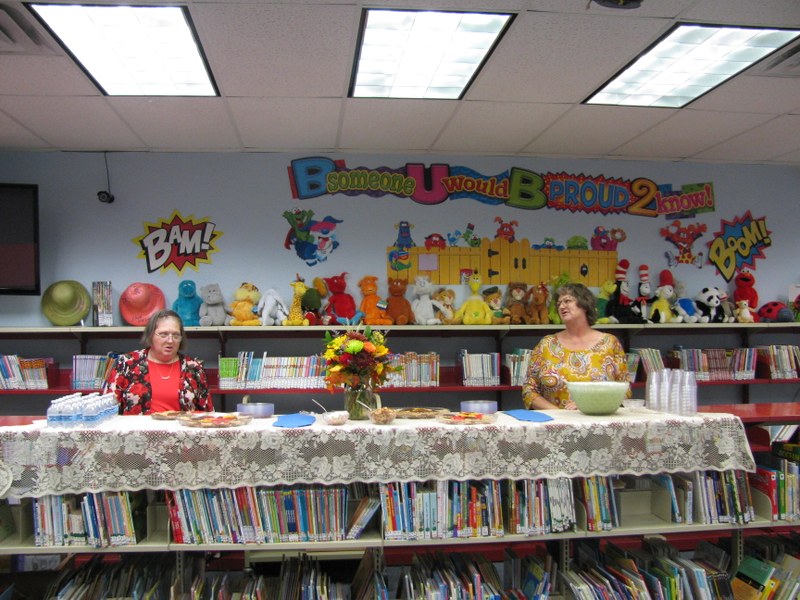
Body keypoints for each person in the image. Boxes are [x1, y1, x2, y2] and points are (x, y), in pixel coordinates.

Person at [522, 282, 628, 410]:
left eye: (567, 301)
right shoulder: (546, 345)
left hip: (599, 423)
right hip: (554, 424)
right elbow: (529, 390)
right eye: (559, 303)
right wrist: (560, 414)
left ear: (584, 304)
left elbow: (625, 390)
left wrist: (590, 405)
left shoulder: (610, 343)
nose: (561, 306)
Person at [103, 309, 213, 415]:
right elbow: (107, 410)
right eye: (163, 334)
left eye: (176, 335)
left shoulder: (193, 367)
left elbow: (208, 414)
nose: (170, 340)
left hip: (181, 433)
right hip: (137, 433)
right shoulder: (126, 363)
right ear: (151, 335)